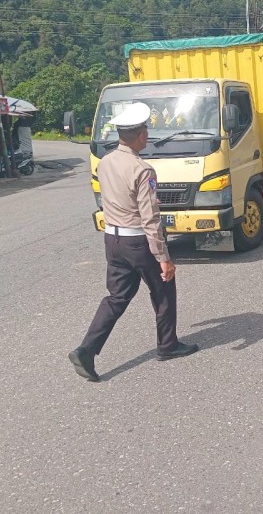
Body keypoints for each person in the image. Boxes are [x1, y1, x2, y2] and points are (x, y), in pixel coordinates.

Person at [68, 103, 198, 382]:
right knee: (164, 289)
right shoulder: (142, 169)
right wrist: (163, 257)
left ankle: (86, 349)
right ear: (140, 135)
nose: (147, 135)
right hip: (138, 240)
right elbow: (149, 217)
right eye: (146, 131)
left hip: (113, 238)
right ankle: (168, 345)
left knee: (117, 297)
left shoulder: (106, 162)